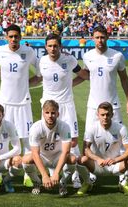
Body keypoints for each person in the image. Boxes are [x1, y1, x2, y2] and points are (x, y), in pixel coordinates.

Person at [75, 25, 128, 184]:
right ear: (92, 38)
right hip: (93, 106)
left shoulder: (117, 56)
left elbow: (124, 78)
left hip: (113, 105)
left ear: (107, 37)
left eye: (102, 37)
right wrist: (69, 84)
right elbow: (86, 76)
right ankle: (90, 173)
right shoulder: (87, 56)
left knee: (120, 140)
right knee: (88, 140)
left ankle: (123, 175)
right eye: (97, 37)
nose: (100, 40)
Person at [0, 24, 41, 188]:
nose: (13, 39)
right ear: (6, 37)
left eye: (16, 36)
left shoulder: (29, 52)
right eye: (10, 36)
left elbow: (40, 73)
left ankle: (27, 174)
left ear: (20, 37)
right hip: (4, 103)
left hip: (23, 104)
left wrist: (28, 84)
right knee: (2, 140)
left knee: (27, 140)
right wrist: (2, 77)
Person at [32, 33, 83, 188]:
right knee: (47, 138)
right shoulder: (41, 62)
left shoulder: (69, 59)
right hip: (47, 106)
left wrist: (69, 85)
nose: (53, 48)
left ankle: (76, 176)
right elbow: (38, 78)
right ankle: (48, 171)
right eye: (50, 46)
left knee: (72, 141)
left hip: (66, 105)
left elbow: (83, 75)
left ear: (60, 46)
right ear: (45, 47)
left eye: (55, 45)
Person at [76, 102, 128, 196]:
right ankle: (87, 183)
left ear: (112, 115)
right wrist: (98, 159)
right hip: (97, 165)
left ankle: (124, 184)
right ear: (98, 115)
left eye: (108, 114)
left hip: (116, 165)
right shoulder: (91, 128)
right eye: (102, 114)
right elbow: (85, 149)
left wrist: (115, 160)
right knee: (81, 159)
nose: (105, 117)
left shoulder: (121, 128)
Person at [22, 100, 76, 196]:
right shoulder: (36, 128)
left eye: (53, 113)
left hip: (58, 156)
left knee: (73, 159)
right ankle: (37, 182)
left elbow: (66, 152)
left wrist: (56, 174)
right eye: (47, 113)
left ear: (58, 113)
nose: (50, 115)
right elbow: (35, 154)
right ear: (43, 113)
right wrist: (44, 176)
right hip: (42, 156)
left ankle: (62, 183)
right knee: (25, 160)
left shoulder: (64, 126)